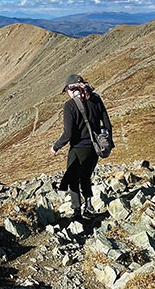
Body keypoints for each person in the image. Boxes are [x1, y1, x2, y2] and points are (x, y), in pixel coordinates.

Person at [49, 74, 114, 220]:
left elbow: (68, 133)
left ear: (73, 89)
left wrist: (55, 147)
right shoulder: (96, 99)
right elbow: (107, 124)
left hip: (78, 149)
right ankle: (89, 206)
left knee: (73, 179)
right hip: (95, 149)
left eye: (67, 90)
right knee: (85, 177)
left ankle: (77, 211)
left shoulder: (70, 106)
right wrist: (108, 142)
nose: (67, 94)